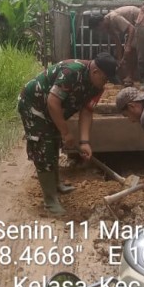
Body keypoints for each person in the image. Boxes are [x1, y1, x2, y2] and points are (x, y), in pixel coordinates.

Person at [18, 52, 118, 215]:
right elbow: (53, 101)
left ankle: (56, 184)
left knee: (54, 142)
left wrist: (84, 142)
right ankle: (50, 201)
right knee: (44, 147)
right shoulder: (71, 72)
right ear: (95, 72)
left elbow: (87, 111)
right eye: (105, 79)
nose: (105, 83)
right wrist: (66, 132)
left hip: (53, 109)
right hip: (34, 105)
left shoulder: (97, 87)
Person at [88, 5, 140, 86]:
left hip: (139, 20)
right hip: (132, 26)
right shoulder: (107, 26)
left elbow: (131, 29)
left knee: (131, 48)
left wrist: (128, 46)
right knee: (126, 51)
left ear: (101, 23)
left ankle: (130, 77)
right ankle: (126, 76)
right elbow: (117, 43)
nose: (100, 31)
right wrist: (119, 60)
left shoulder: (114, 18)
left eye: (99, 29)